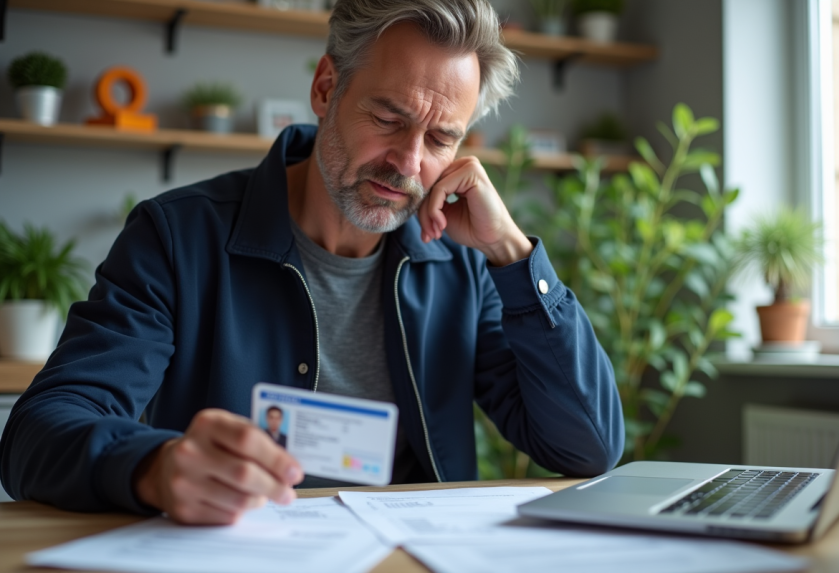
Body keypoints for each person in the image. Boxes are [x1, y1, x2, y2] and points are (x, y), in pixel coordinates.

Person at [0, 0, 624, 525]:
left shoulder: (459, 263)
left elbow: (587, 447)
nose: (408, 164)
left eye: (440, 140)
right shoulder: (177, 236)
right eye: (388, 118)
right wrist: (153, 467)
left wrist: (512, 255)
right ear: (326, 88)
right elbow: (38, 433)